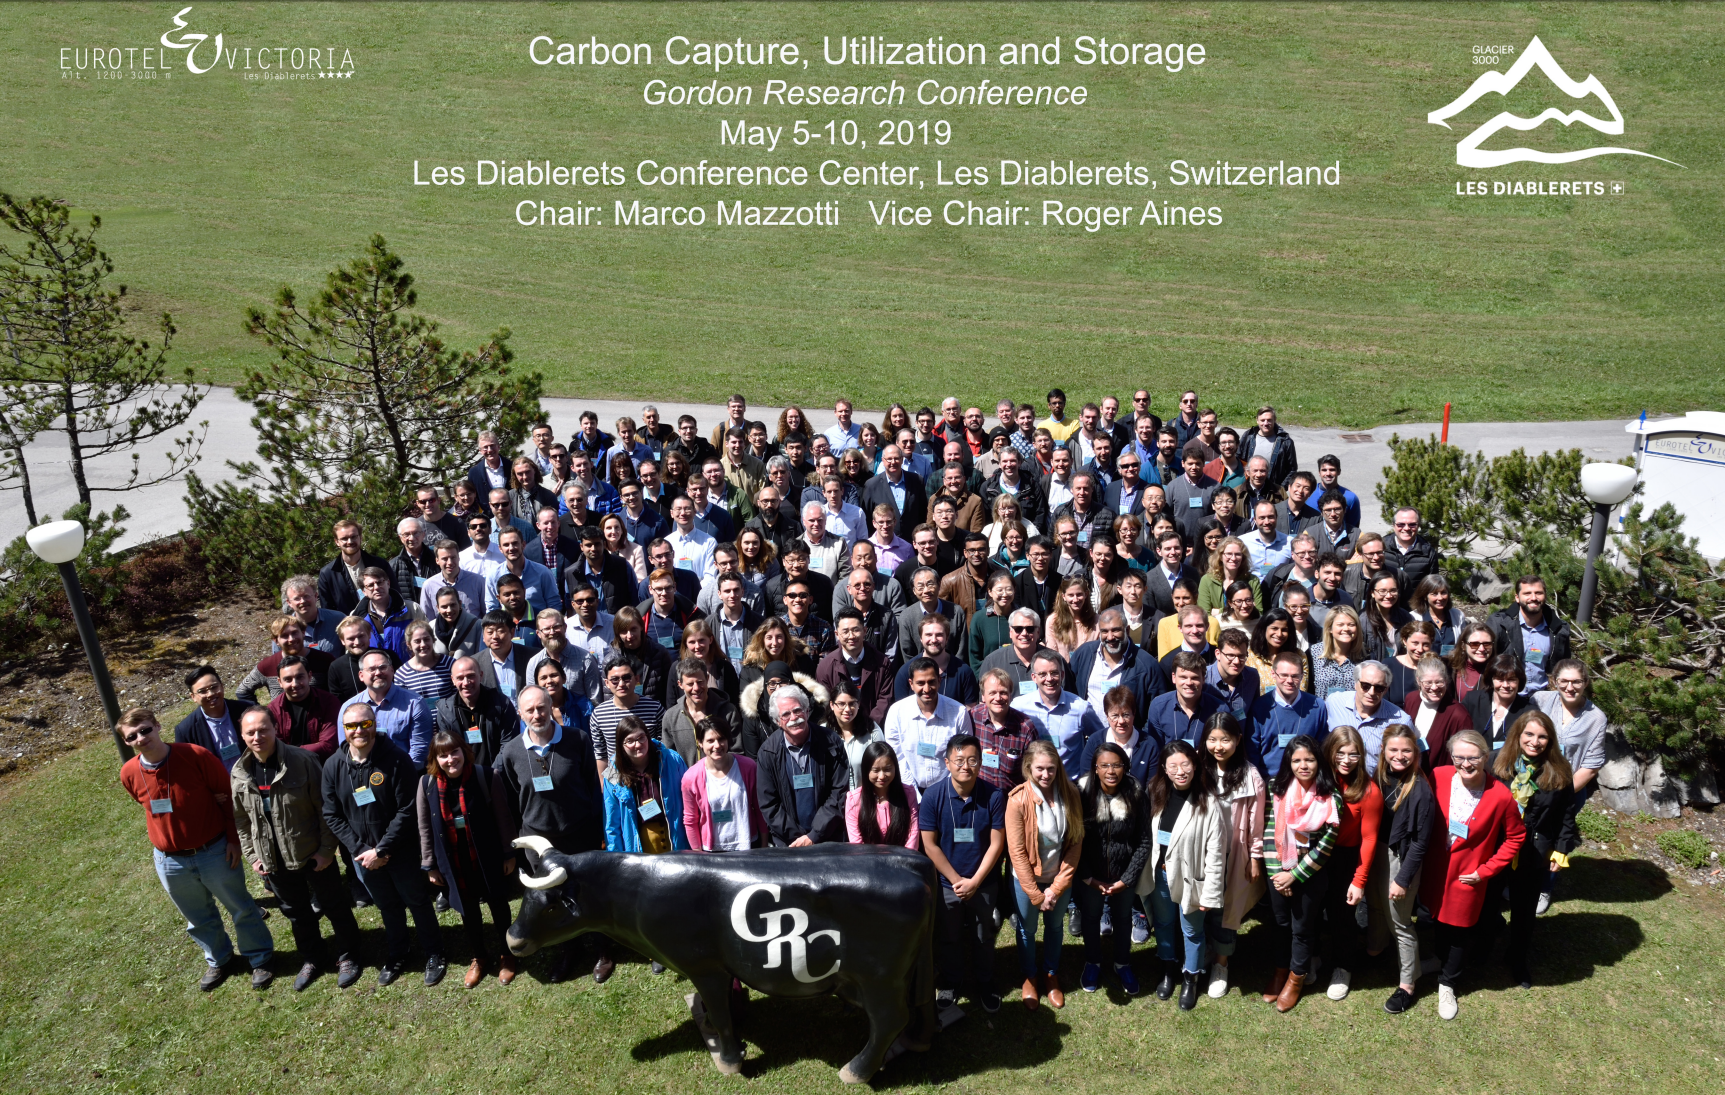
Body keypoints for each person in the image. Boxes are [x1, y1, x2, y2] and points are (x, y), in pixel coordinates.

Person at [117, 708, 276, 991]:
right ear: (127, 742)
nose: (141, 738)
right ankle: (219, 959)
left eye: (145, 730)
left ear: (157, 726)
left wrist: (232, 840)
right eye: (132, 736)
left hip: (214, 850)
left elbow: (229, 800)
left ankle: (260, 958)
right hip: (170, 861)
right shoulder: (129, 773)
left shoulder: (194, 755)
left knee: (240, 908)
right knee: (198, 917)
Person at [231, 706, 365, 991]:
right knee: (296, 913)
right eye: (250, 732)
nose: (258, 736)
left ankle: (349, 954)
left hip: (313, 853)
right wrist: (253, 856)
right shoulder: (240, 772)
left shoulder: (303, 760)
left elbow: (325, 809)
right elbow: (242, 820)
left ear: (275, 729)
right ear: (242, 736)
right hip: (273, 859)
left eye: (263, 729)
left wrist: (327, 850)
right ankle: (313, 957)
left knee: (335, 906)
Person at [323, 701, 447, 987]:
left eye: (365, 724)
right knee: (387, 905)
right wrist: (361, 850)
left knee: (416, 901)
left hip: (398, 851)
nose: (359, 731)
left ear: (375, 725)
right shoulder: (333, 766)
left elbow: (407, 810)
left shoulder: (396, 759)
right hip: (363, 858)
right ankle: (398, 951)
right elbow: (331, 813)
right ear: (344, 729)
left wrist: (383, 849)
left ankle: (434, 951)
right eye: (352, 726)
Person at [1422, 729, 1525, 1020]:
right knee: (1438, 918)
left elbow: (1516, 838)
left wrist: (1486, 871)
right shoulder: (1439, 776)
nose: (1466, 764)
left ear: (1486, 756)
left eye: (1474, 757)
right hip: (1437, 869)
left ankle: (1448, 983)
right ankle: (1438, 959)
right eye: (1459, 757)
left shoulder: (1501, 795)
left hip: (1468, 876)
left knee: (1461, 929)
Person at [417, 727, 520, 988]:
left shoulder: (486, 776)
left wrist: (509, 854)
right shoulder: (426, 785)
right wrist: (429, 864)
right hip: (453, 860)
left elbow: (503, 818)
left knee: (498, 905)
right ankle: (479, 956)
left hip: (486, 856)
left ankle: (507, 954)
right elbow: (424, 828)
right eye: (443, 756)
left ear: (465, 751)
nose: (450, 760)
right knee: (467, 910)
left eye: (455, 752)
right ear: (434, 760)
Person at [1487, 710, 1578, 987]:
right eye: (1529, 734)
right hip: (1497, 847)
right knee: (1488, 902)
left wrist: (1561, 849)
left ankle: (1517, 959)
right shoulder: (1496, 762)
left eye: (1542, 736)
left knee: (1524, 910)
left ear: (1549, 740)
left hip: (1534, 850)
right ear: (1518, 735)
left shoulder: (1559, 772)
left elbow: (1566, 814)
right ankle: (1481, 947)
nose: (1534, 741)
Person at [920, 734, 1007, 1013]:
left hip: (983, 882)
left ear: (981, 764)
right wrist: (958, 881)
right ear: (947, 763)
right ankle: (952, 981)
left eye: (972, 760)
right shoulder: (933, 796)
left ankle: (985, 981)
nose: (965, 767)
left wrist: (976, 881)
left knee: (984, 935)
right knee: (949, 936)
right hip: (948, 884)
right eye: (959, 761)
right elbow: (929, 845)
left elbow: (997, 844)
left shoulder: (994, 795)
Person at [1140, 739, 1224, 1010]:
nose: (1180, 771)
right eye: (1172, 765)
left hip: (1192, 878)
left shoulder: (1209, 803)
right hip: (1161, 875)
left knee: (1192, 929)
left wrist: (1210, 893)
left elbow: (1216, 854)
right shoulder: (1156, 793)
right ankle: (1167, 969)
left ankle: (1191, 977)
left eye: (1185, 764)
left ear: (1196, 764)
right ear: (1164, 768)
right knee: (1164, 924)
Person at [1002, 740, 1083, 1011]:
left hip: (1058, 879)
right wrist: (1037, 894)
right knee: (1027, 930)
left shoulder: (1070, 793)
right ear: (1028, 768)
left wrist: (1056, 888)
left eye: (1051, 768)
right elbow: (1017, 853)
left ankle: (1050, 973)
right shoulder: (1017, 800)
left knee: (1056, 927)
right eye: (1039, 769)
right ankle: (1029, 976)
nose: (1045, 774)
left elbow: (1075, 844)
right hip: (1027, 880)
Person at [1261, 735, 1339, 1013]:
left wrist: (1294, 875)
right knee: (1281, 924)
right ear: (1288, 763)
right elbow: (1269, 831)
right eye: (1296, 760)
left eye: (1309, 759)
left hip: (1310, 875)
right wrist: (1277, 874)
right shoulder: (1276, 788)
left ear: (1319, 761)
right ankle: (1280, 971)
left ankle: (1296, 978)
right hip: (1277, 871)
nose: (1303, 765)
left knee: (1302, 928)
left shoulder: (1330, 794)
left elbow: (1326, 844)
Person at [1071, 741, 1150, 996]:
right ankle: (1092, 961)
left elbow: (1144, 840)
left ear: (1125, 767)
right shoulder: (1081, 793)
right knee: (1091, 918)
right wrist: (1087, 877)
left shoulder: (1136, 792)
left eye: (1117, 765)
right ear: (1095, 768)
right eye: (1105, 765)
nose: (1111, 771)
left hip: (1123, 875)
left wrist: (1127, 879)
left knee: (1123, 918)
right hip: (1091, 875)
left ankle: (1122, 963)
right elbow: (1074, 838)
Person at [1369, 725, 1436, 1014]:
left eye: (1406, 750)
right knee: (1375, 907)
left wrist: (1403, 879)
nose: (1400, 755)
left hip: (1400, 859)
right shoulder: (1379, 776)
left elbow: (1420, 844)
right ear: (1383, 750)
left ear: (1416, 752)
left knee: (1400, 921)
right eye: (1393, 749)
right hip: (1376, 853)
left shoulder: (1420, 791)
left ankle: (1408, 983)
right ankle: (1375, 951)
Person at [1198, 713, 1265, 998]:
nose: (1218, 746)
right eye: (1212, 739)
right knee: (1202, 904)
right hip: (1202, 852)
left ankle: (1222, 964)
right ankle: (1204, 952)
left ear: (1237, 740)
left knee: (1228, 909)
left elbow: (1256, 821)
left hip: (1235, 853)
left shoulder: (1251, 775)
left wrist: (1255, 857)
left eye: (1225, 739)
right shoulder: (1198, 769)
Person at [1316, 727, 1382, 1002]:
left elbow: (1369, 838)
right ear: (1330, 751)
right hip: (1315, 854)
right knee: (1311, 910)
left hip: (1345, 856)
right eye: (1340, 753)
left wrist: (1359, 880)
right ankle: (1312, 957)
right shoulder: (1319, 779)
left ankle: (1343, 967)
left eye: (1353, 754)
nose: (1346, 759)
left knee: (1343, 917)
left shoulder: (1369, 790)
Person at [755, 685, 850, 846]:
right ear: (778, 721)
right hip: (789, 843)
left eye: (797, 710)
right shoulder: (767, 752)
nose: (794, 717)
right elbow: (769, 804)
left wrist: (814, 835)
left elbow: (839, 792)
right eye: (785, 714)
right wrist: (798, 838)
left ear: (807, 711)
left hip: (828, 839)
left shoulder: (831, 742)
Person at [602, 714, 691, 859]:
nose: (637, 744)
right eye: (629, 741)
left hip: (676, 841)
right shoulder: (613, 772)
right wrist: (616, 859)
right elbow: (612, 822)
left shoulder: (672, 760)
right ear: (621, 745)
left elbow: (690, 803)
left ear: (648, 737)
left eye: (641, 738)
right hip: (638, 847)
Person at [884, 656, 972, 791]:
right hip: (907, 789)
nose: (926, 689)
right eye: (920, 683)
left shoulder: (959, 712)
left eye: (931, 682)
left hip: (948, 789)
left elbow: (964, 755)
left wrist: (943, 793)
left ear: (939, 681)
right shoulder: (896, 712)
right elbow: (897, 758)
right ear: (911, 684)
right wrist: (913, 795)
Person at [680, 717, 768, 852]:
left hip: (748, 845)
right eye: (710, 741)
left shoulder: (748, 767)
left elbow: (759, 808)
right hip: (712, 851)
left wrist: (764, 844)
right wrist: (698, 854)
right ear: (700, 743)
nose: (717, 745)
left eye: (721, 739)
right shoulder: (690, 778)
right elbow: (690, 820)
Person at [1249, 650, 1329, 778]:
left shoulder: (1317, 706)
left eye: (1295, 676)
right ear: (1273, 674)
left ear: (1302, 676)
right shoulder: (1259, 707)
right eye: (1284, 675)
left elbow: (1322, 747)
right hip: (1269, 781)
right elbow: (1253, 751)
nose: (1289, 681)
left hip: (1305, 781)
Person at [662, 655, 747, 766]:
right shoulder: (671, 717)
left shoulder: (728, 712)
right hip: (685, 781)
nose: (696, 688)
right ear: (680, 685)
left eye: (700, 681)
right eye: (690, 684)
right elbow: (668, 758)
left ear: (707, 679)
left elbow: (736, 753)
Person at [174, 665, 255, 767]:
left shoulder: (248, 710)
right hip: (217, 782)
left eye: (214, 687)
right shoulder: (185, 730)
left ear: (222, 686)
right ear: (193, 697)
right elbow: (186, 767)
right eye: (202, 691)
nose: (210, 694)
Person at [591, 655, 665, 767]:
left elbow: (662, 747)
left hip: (650, 773)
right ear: (607, 683)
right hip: (617, 778)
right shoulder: (599, 714)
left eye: (626, 678)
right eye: (615, 680)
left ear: (636, 679)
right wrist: (603, 783)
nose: (621, 684)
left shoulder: (655, 708)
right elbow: (601, 754)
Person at [846, 739, 921, 849]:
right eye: (875, 770)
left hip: (902, 861)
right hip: (867, 862)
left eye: (887, 769)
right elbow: (856, 843)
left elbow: (913, 834)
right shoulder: (853, 800)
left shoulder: (908, 793)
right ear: (866, 771)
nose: (881, 776)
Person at [267, 655, 341, 761]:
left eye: (300, 677)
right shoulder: (272, 710)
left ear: (309, 676)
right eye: (288, 679)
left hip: (322, 766)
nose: (295, 684)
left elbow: (328, 746)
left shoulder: (329, 702)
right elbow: (275, 747)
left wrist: (290, 750)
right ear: (280, 682)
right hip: (288, 768)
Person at [1461, 654, 1533, 753]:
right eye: (1500, 679)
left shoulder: (1528, 712)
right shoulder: (1472, 700)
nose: (1505, 685)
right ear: (1491, 679)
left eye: (1511, 680)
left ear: (1519, 681)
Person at [1404, 656, 1471, 762]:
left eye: (1439, 682)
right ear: (1419, 681)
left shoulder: (1459, 715)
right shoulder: (1411, 699)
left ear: (1446, 681)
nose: (1434, 687)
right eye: (1428, 682)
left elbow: (1464, 754)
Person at [317, 519, 388, 617]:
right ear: (337, 542)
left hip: (383, 623)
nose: (350, 542)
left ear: (360, 538)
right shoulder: (328, 574)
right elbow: (327, 610)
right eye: (344, 538)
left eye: (353, 537)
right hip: (349, 628)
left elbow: (395, 594)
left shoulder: (380, 564)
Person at [1381, 508, 1441, 605]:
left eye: (1412, 524)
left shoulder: (1428, 551)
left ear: (1418, 526)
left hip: (1415, 610)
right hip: (1386, 608)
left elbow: (1432, 586)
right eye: (1401, 524)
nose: (1406, 528)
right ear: (1393, 525)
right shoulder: (1381, 548)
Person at [1246, 609, 1310, 696]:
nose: (1279, 634)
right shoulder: (1250, 656)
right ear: (1264, 629)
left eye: (1284, 630)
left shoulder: (1299, 656)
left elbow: (1301, 691)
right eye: (1274, 628)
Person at [1198, 536, 1261, 616]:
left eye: (1238, 554)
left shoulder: (1253, 581)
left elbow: (1258, 613)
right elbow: (1204, 615)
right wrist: (1243, 609)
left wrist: (1219, 611)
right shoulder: (1207, 580)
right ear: (1221, 556)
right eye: (1229, 554)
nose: (1233, 558)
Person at [396, 621, 455, 704]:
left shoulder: (449, 663)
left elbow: (458, 696)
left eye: (426, 639)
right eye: (417, 641)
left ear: (433, 640)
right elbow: (403, 704)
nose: (423, 645)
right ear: (409, 644)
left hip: (448, 716)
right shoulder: (402, 674)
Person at [1360, 572, 1413, 664]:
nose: (1388, 596)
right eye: (1382, 591)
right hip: (1373, 673)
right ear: (1373, 593)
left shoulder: (1406, 618)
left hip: (1399, 672)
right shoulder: (1362, 620)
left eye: (1393, 590)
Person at [1408, 574, 1465, 657]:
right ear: (1425, 596)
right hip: (1423, 667)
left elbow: (1462, 646)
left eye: (1443, 593)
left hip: (1451, 667)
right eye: (1434, 594)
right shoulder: (1413, 617)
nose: (1440, 598)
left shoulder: (1458, 616)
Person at [1313, 606, 1364, 699]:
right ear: (1330, 629)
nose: (1346, 629)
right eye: (1340, 625)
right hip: (1322, 712)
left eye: (1351, 624)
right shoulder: (1313, 653)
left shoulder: (1365, 656)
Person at [1045, 576, 1098, 659]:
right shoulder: (1053, 621)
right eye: (1071, 595)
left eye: (1079, 594)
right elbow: (1052, 654)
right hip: (1062, 669)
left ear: (1086, 594)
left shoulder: (1097, 621)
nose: (1075, 599)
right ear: (1064, 597)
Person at [1387, 620, 1438, 701]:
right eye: (1415, 643)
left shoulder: (1437, 668)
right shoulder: (1389, 665)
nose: (1420, 649)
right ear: (1404, 641)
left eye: (1425, 644)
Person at [1451, 623, 1498, 703]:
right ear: (1463, 646)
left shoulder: (1497, 672)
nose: (1482, 649)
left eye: (1487, 644)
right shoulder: (1449, 668)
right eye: (1475, 644)